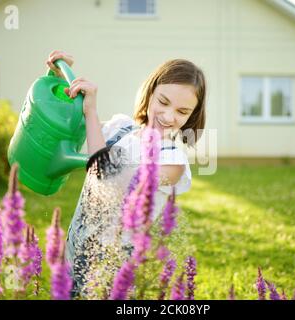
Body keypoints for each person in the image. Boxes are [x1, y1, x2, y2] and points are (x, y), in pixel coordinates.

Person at [46, 50, 207, 298]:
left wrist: (91, 111)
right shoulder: (120, 128)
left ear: (192, 115)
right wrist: (62, 80)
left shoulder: (173, 162)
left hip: (113, 270)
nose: (168, 116)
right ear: (150, 92)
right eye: (163, 102)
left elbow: (106, 178)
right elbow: (67, 126)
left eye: (182, 111)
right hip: (75, 248)